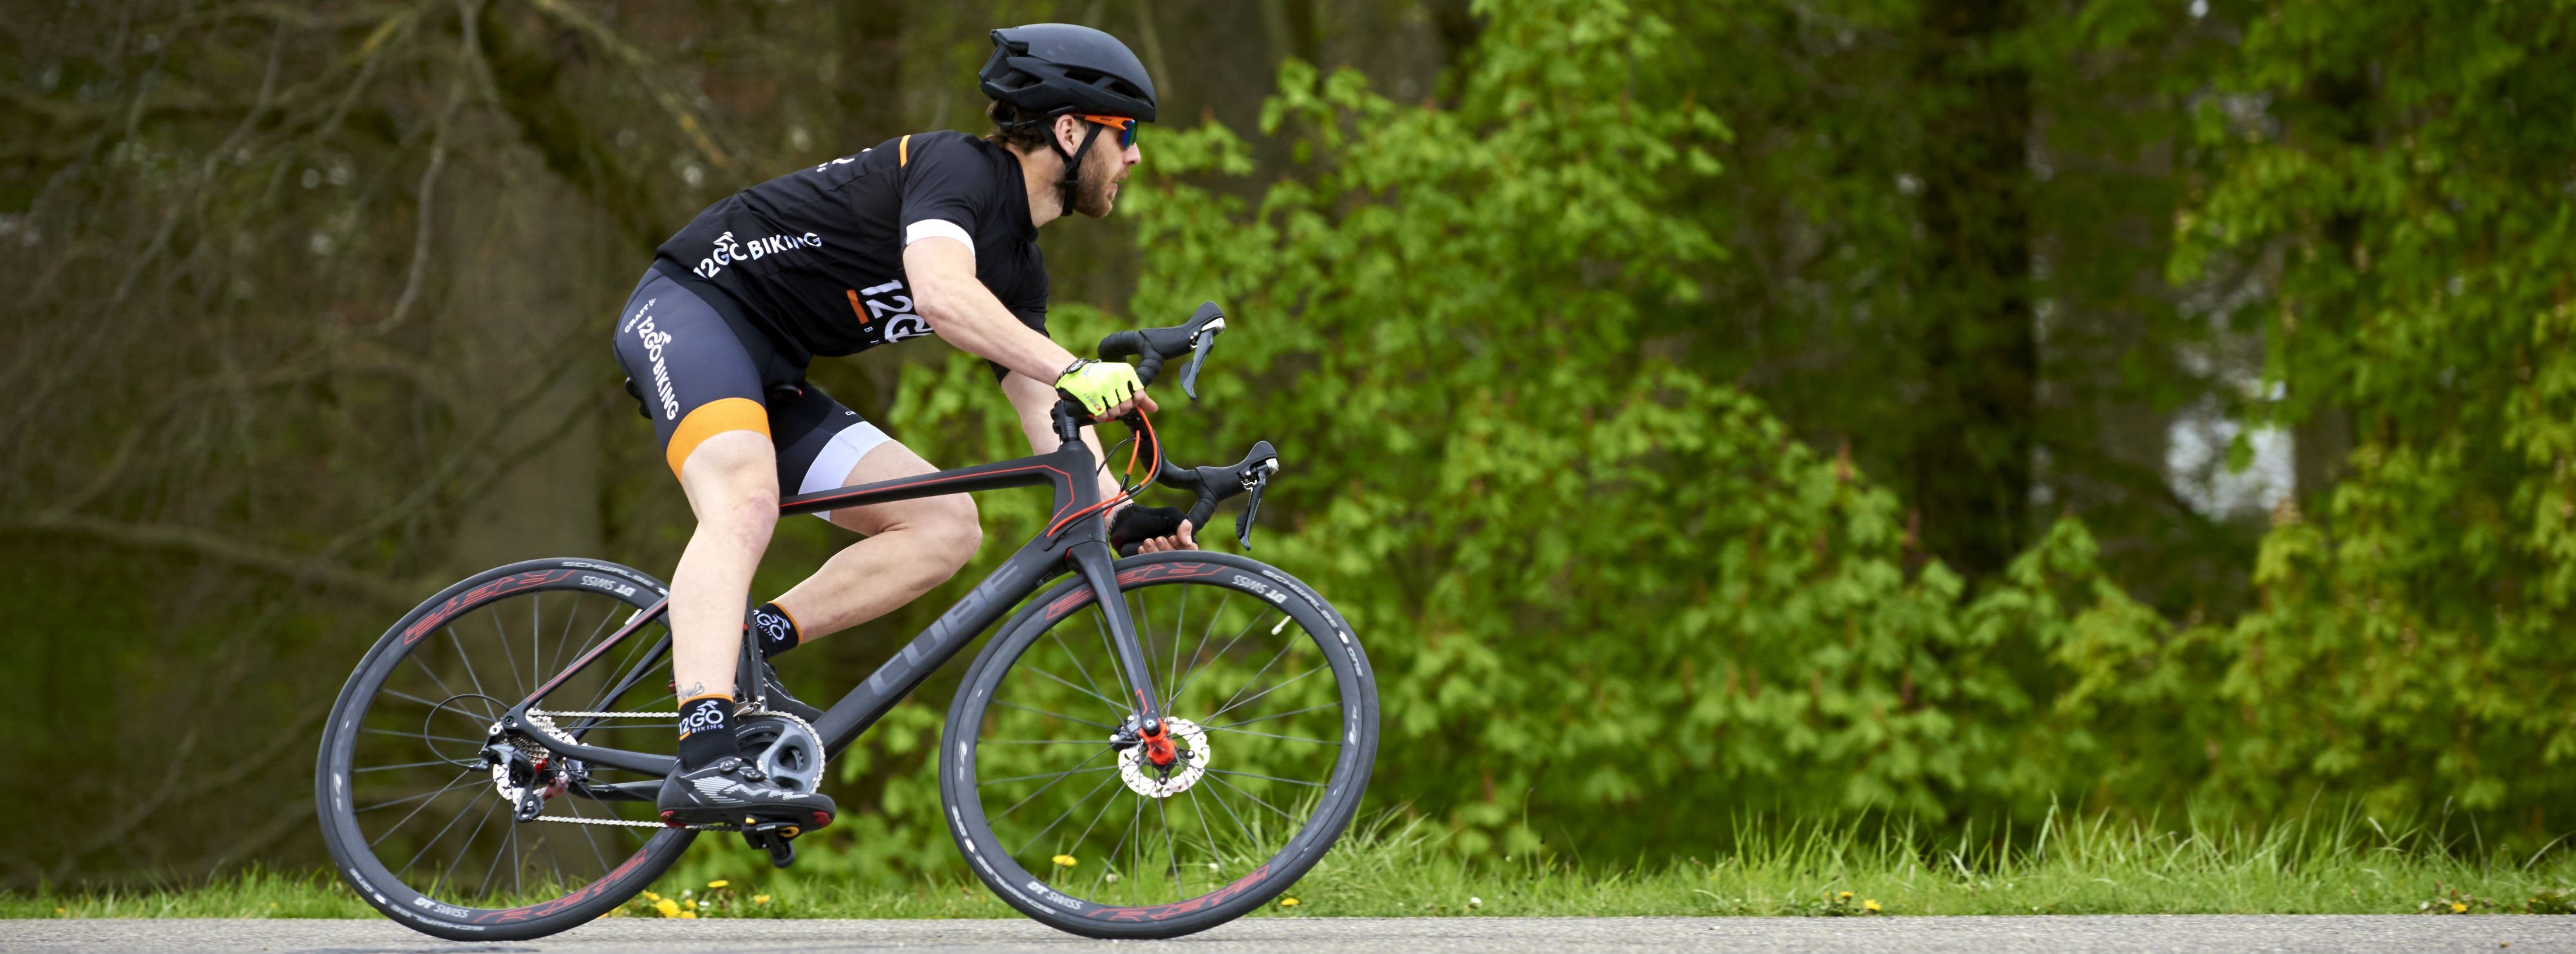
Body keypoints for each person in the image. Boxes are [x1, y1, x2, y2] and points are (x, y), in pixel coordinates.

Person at [610, 24, 1194, 827]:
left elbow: (1040, 402)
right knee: (742, 498)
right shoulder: (959, 170)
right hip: (691, 311)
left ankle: (743, 639)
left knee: (945, 524)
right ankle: (705, 752)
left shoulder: (1018, 261)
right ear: (1069, 130)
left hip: (771, 366)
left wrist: (1120, 510)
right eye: (1124, 136)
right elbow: (941, 295)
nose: (1132, 158)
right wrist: (1073, 366)